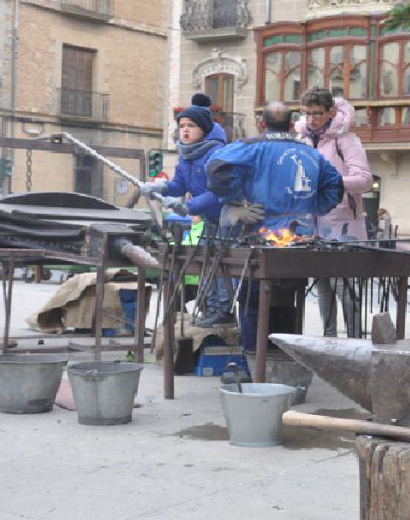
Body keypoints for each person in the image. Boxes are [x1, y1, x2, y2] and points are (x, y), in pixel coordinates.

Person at [206, 101, 344, 355]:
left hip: (260, 238)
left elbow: (216, 167)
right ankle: (284, 358)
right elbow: (336, 186)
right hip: (300, 240)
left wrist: (236, 199)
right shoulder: (311, 154)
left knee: (252, 301)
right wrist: (316, 207)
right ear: (292, 126)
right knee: (289, 300)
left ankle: (253, 360)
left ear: (262, 124)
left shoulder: (252, 147)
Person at [141, 93, 231, 327]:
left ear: (203, 129)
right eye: (181, 126)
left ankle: (222, 310)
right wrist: (160, 186)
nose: (185, 130)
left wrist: (189, 206)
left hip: (228, 217)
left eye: (191, 126)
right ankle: (211, 307)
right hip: (208, 219)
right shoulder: (186, 155)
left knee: (218, 265)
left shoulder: (216, 154)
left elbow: (219, 192)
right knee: (204, 261)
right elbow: (180, 184)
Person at [295, 87, 374, 339]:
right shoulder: (303, 141)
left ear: (331, 111)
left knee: (345, 288)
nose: (311, 119)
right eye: (306, 113)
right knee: (323, 287)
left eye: (317, 113)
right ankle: (328, 340)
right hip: (313, 226)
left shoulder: (346, 140)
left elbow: (365, 180)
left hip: (344, 228)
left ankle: (354, 340)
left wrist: (332, 183)